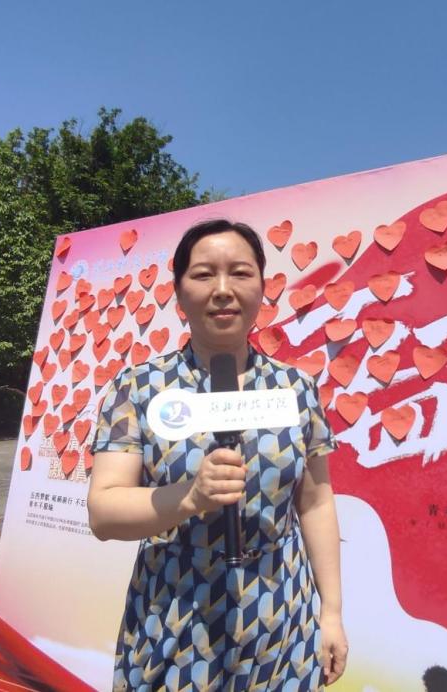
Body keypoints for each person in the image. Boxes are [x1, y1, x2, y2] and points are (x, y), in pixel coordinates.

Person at [88, 219, 348, 690]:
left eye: (241, 273)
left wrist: (331, 612)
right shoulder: (140, 387)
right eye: (204, 274)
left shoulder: (295, 388)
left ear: (263, 287)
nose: (223, 290)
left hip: (280, 612)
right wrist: (190, 496)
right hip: (173, 611)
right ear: (179, 290)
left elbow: (315, 503)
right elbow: (103, 512)